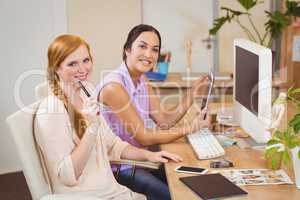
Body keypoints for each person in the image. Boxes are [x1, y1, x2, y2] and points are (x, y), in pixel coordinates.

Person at [34, 34, 183, 200]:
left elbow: (113, 145)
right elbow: (68, 176)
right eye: (72, 64)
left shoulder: (87, 93)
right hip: (87, 196)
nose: (82, 69)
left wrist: (149, 155)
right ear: (56, 68)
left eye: (86, 60)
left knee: (180, 189)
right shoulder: (50, 112)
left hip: (113, 190)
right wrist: (91, 128)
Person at [95, 24, 211, 199]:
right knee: (174, 195)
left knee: (194, 182)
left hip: (140, 159)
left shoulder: (142, 79)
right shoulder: (114, 87)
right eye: (142, 46)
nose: (149, 54)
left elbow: (164, 120)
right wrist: (189, 128)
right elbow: (143, 136)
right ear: (127, 49)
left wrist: (192, 93)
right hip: (119, 166)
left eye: (154, 50)